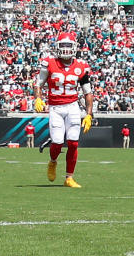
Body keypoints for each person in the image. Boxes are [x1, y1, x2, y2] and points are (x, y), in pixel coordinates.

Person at [35, 33, 94, 189]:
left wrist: (89, 114)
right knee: (57, 142)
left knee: (73, 143)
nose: (66, 50)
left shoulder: (81, 66)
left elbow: (87, 92)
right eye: (63, 46)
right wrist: (38, 98)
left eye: (69, 46)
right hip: (55, 107)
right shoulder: (49, 63)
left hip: (73, 106)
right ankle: (53, 161)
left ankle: (69, 177)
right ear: (57, 46)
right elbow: (38, 84)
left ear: (74, 47)